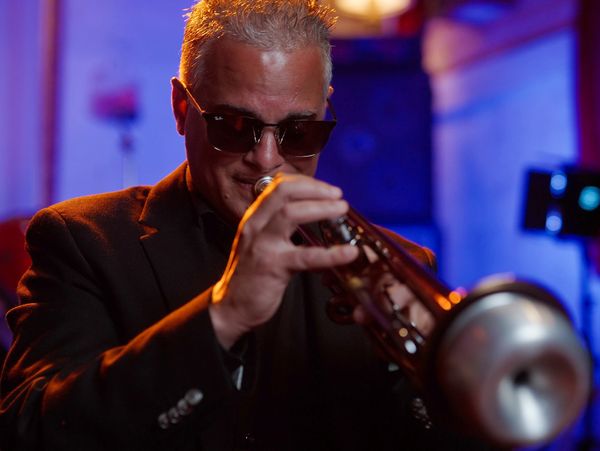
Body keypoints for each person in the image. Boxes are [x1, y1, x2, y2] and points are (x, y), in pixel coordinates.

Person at [0, 1, 489, 449]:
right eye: (234, 126)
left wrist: (435, 375)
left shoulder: (401, 264)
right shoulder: (82, 239)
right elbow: (31, 430)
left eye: (300, 131)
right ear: (182, 108)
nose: (267, 159)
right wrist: (223, 315)